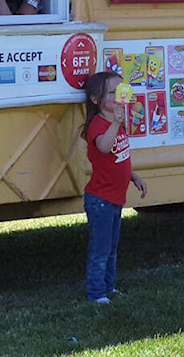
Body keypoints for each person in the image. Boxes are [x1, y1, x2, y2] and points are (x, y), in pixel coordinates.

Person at [81, 71, 148, 304]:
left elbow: (119, 157)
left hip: (115, 198)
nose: (118, 96)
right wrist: (117, 123)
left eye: (121, 90)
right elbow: (104, 148)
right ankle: (96, 293)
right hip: (100, 200)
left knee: (111, 248)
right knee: (100, 250)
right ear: (95, 100)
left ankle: (109, 286)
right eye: (112, 92)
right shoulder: (99, 125)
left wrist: (133, 176)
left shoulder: (114, 123)